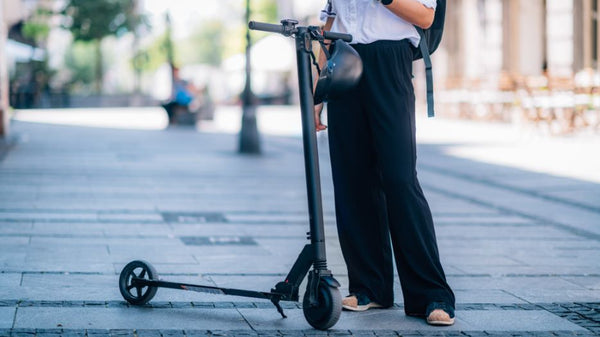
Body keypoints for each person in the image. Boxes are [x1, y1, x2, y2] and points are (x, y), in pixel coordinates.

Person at [315, 0, 456, 326]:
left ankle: (432, 294)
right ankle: (370, 287)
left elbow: (426, 15)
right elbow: (328, 25)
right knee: (352, 180)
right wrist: (318, 93)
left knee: (399, 178)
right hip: (344, 61)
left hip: (390, 60)